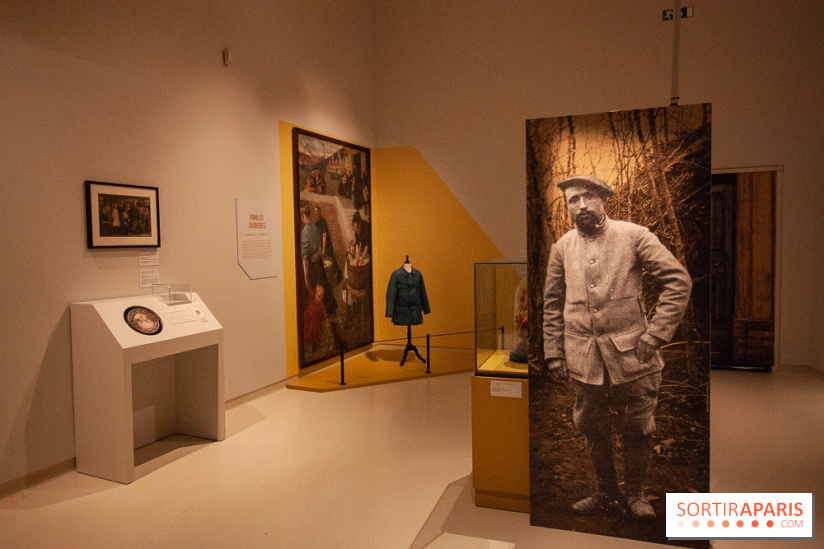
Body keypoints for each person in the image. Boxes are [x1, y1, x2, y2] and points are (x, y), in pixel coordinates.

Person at [542, 174, 692, 520]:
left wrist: (655, 334)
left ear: (603, 199)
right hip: (583, 359)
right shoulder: (562, 247)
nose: (580, 206)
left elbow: (678, 281)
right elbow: (551, 304)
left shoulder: (634, 235)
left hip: (633, 354)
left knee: (638, 426)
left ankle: (636, 495)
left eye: (587, 197)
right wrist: (553, 352)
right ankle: (605, 491)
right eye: (572, 201)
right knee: (591, 426)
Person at [301, 204, 336, 318]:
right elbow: (319, 245)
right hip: (319, 262)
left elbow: (305, 258)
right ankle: (330, 310)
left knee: (313, 290)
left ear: (302, 216)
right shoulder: (314, 227)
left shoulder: (305, 232)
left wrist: (305, 276)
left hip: (312, 265)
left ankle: (319, 313)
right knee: (323, 284)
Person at [314, 206, 342, 283]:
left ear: (320, 211)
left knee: (331, 258)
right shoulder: (317, 222)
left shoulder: (322, 221)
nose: (316, 213)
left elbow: (324, 235)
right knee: (326, 261)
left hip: (327, 245)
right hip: (322, 245)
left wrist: (323, 249)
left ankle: (338, 273)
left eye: (317, 211)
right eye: (315, 212)